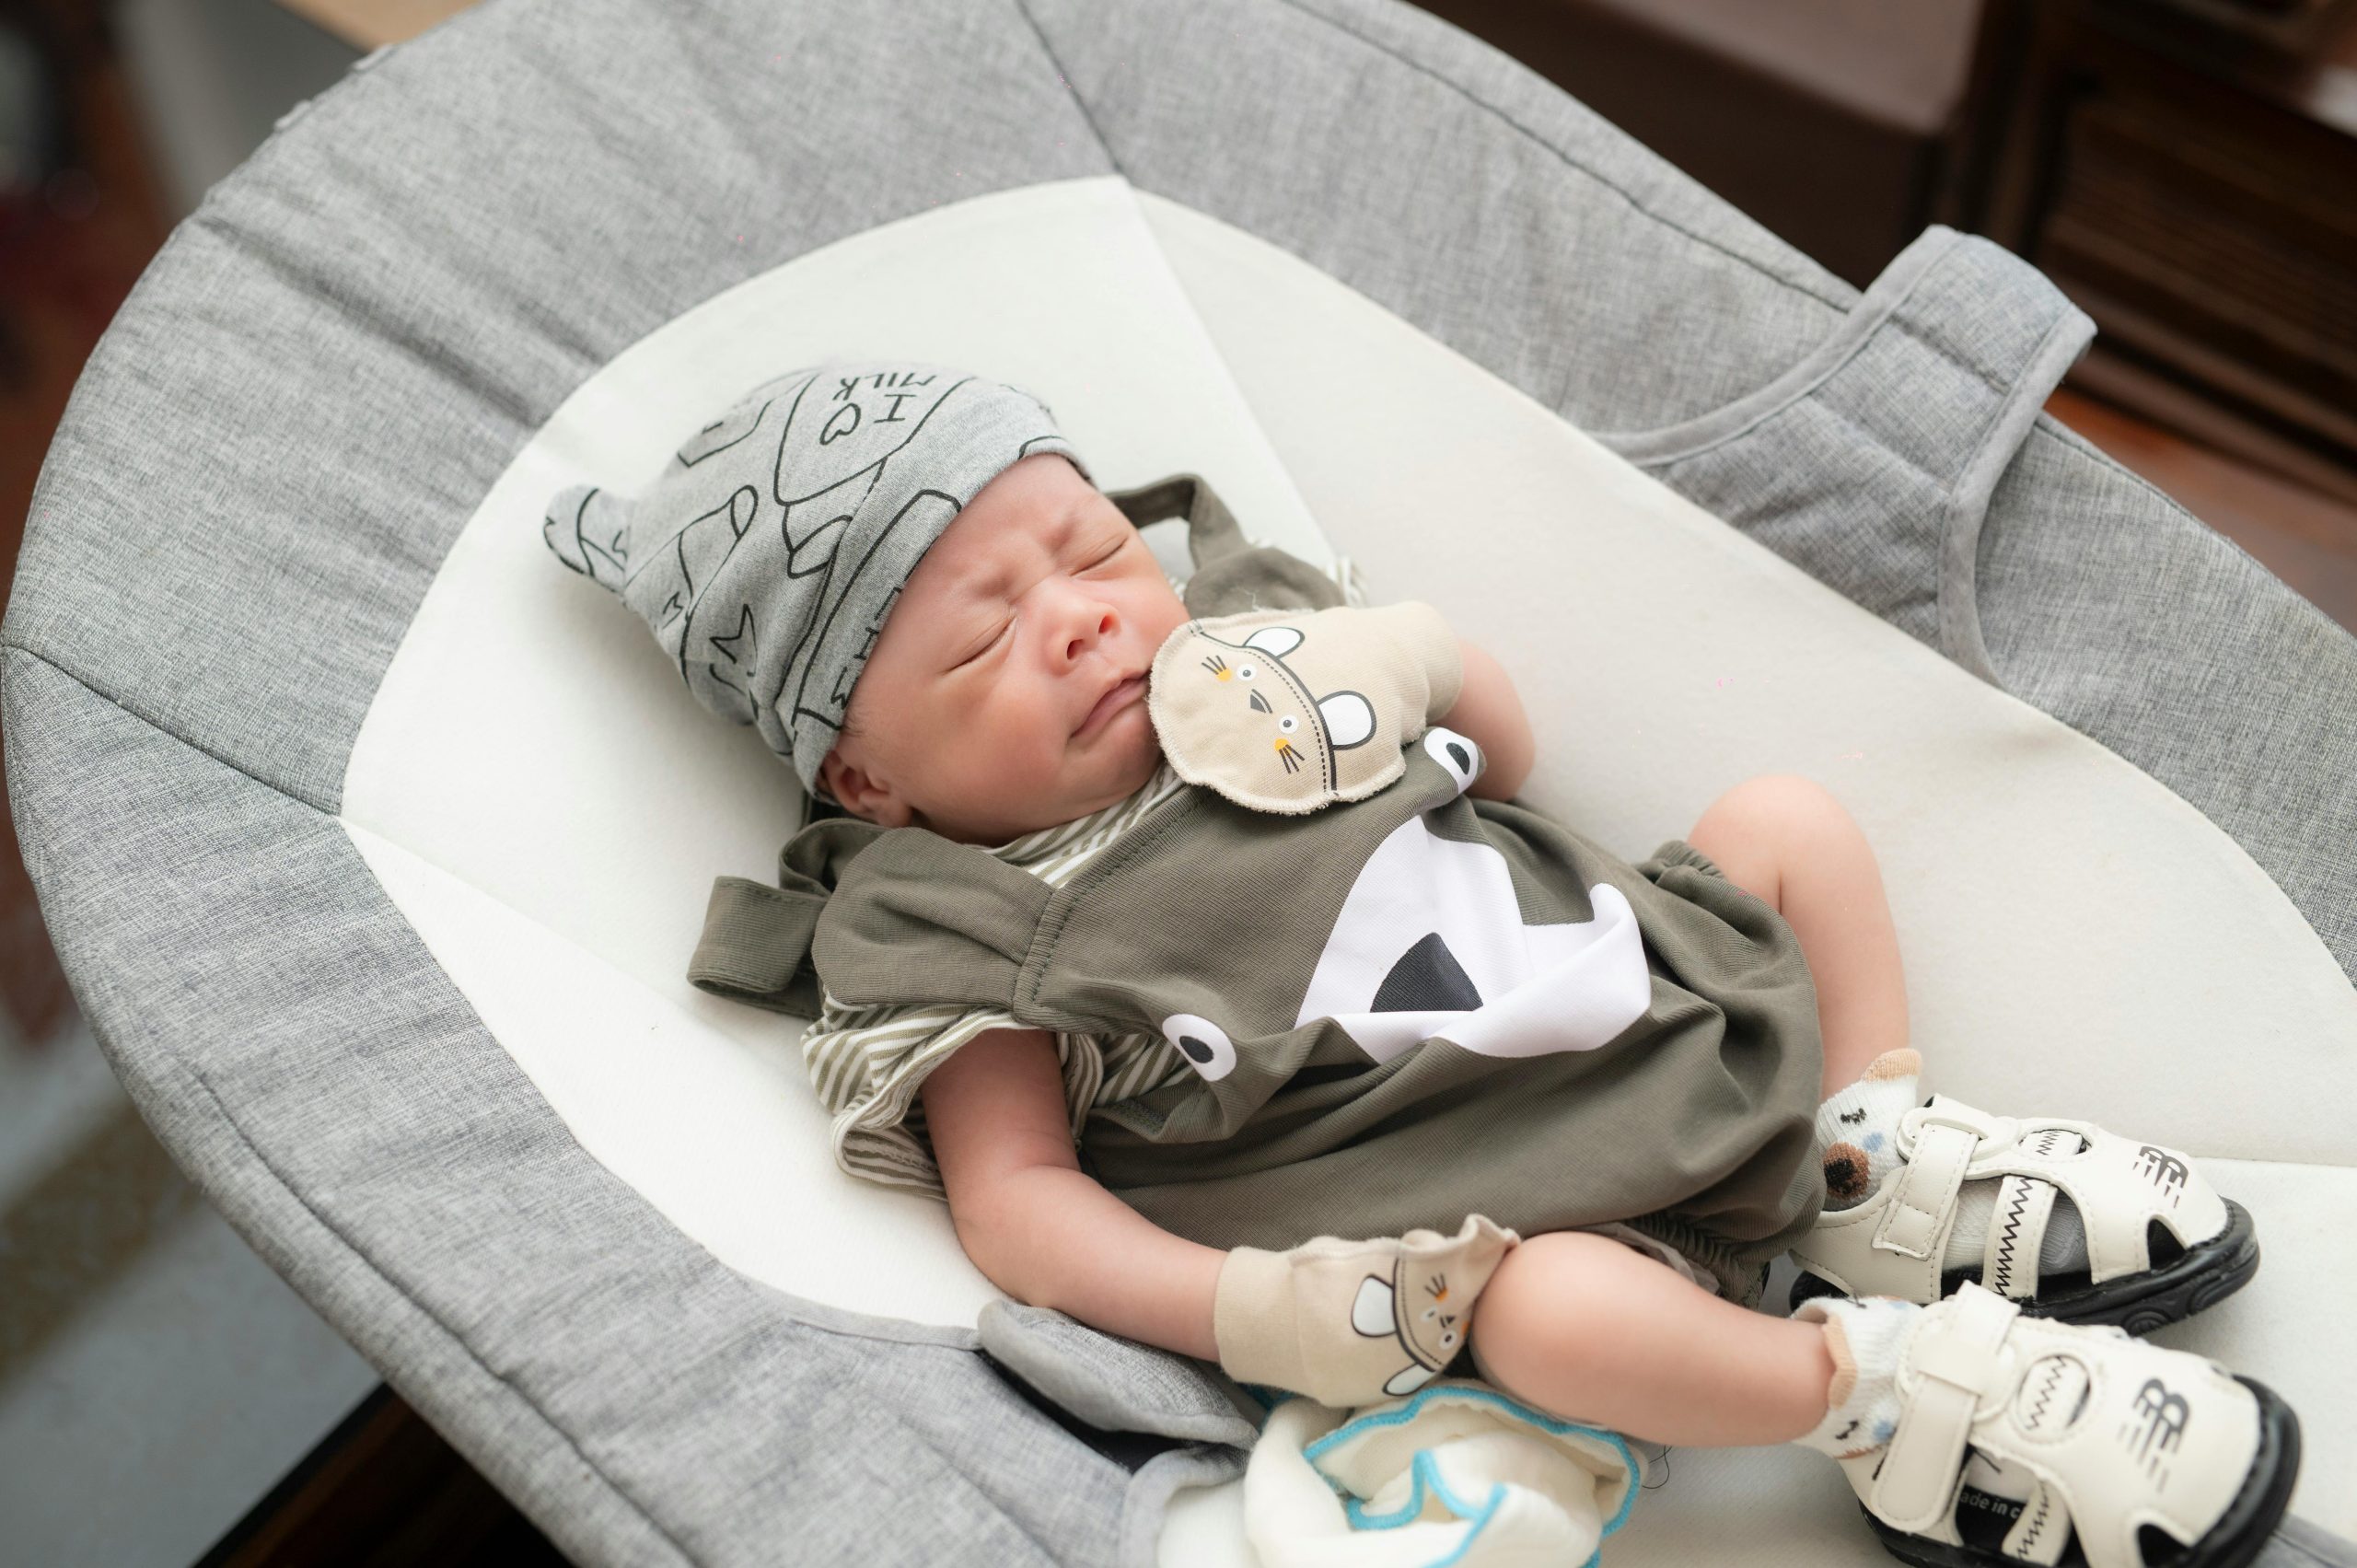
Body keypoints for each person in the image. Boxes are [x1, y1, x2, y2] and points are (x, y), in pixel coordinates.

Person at [548, 358, 2299, 1568]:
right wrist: (1253, 1311)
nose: (1079, 616)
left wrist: (1412, 662)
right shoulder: (961, 915)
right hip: (1527, 1204)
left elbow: (1509, 770)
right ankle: (1875, 1393)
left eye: (1087, 553)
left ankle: (1865, 1150)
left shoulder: (1250, 642)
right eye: (984, 638)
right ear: (867, 780)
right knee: (1551, 1321)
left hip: (1663, 987)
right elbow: (1015, 1206)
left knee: (1789, 823)